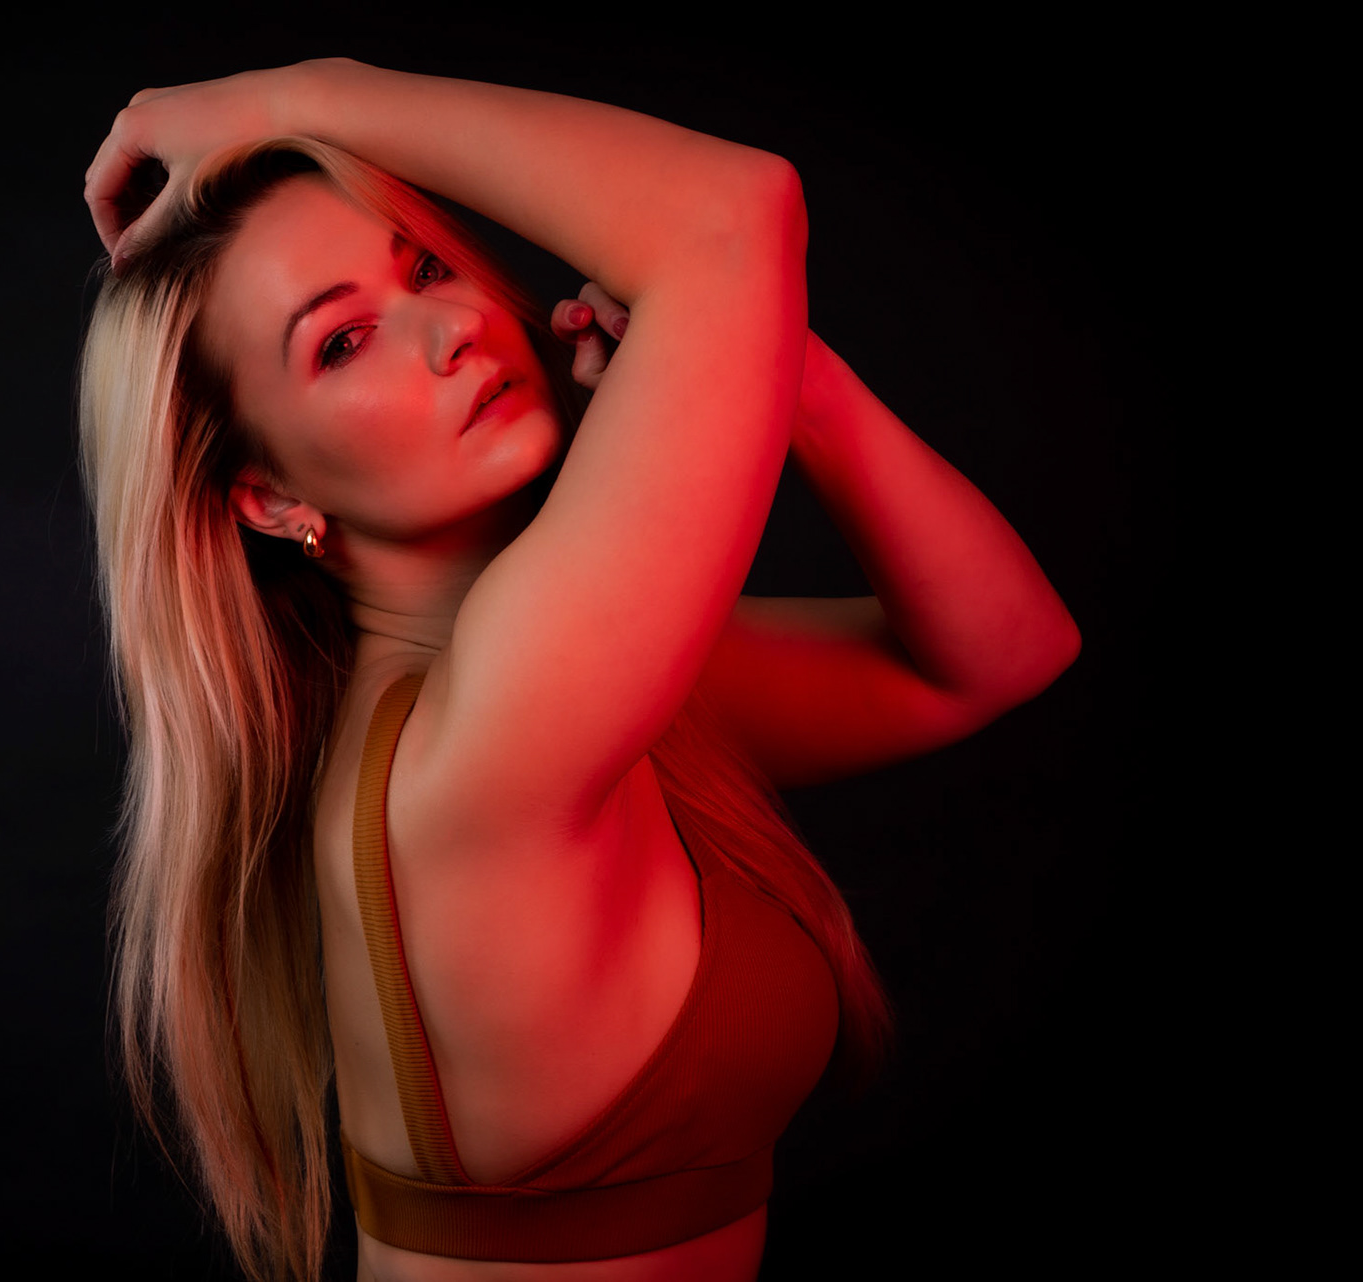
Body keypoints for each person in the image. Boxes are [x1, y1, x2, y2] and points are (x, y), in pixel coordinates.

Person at [78, 58, 1079, 1282]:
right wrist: (295, 96)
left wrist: (793, 377)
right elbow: (731, 212)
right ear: (273, 498)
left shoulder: (547, 697)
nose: (449, 329)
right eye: (342, 341)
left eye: (426, 268)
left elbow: (997, 654)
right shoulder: (482, 745)